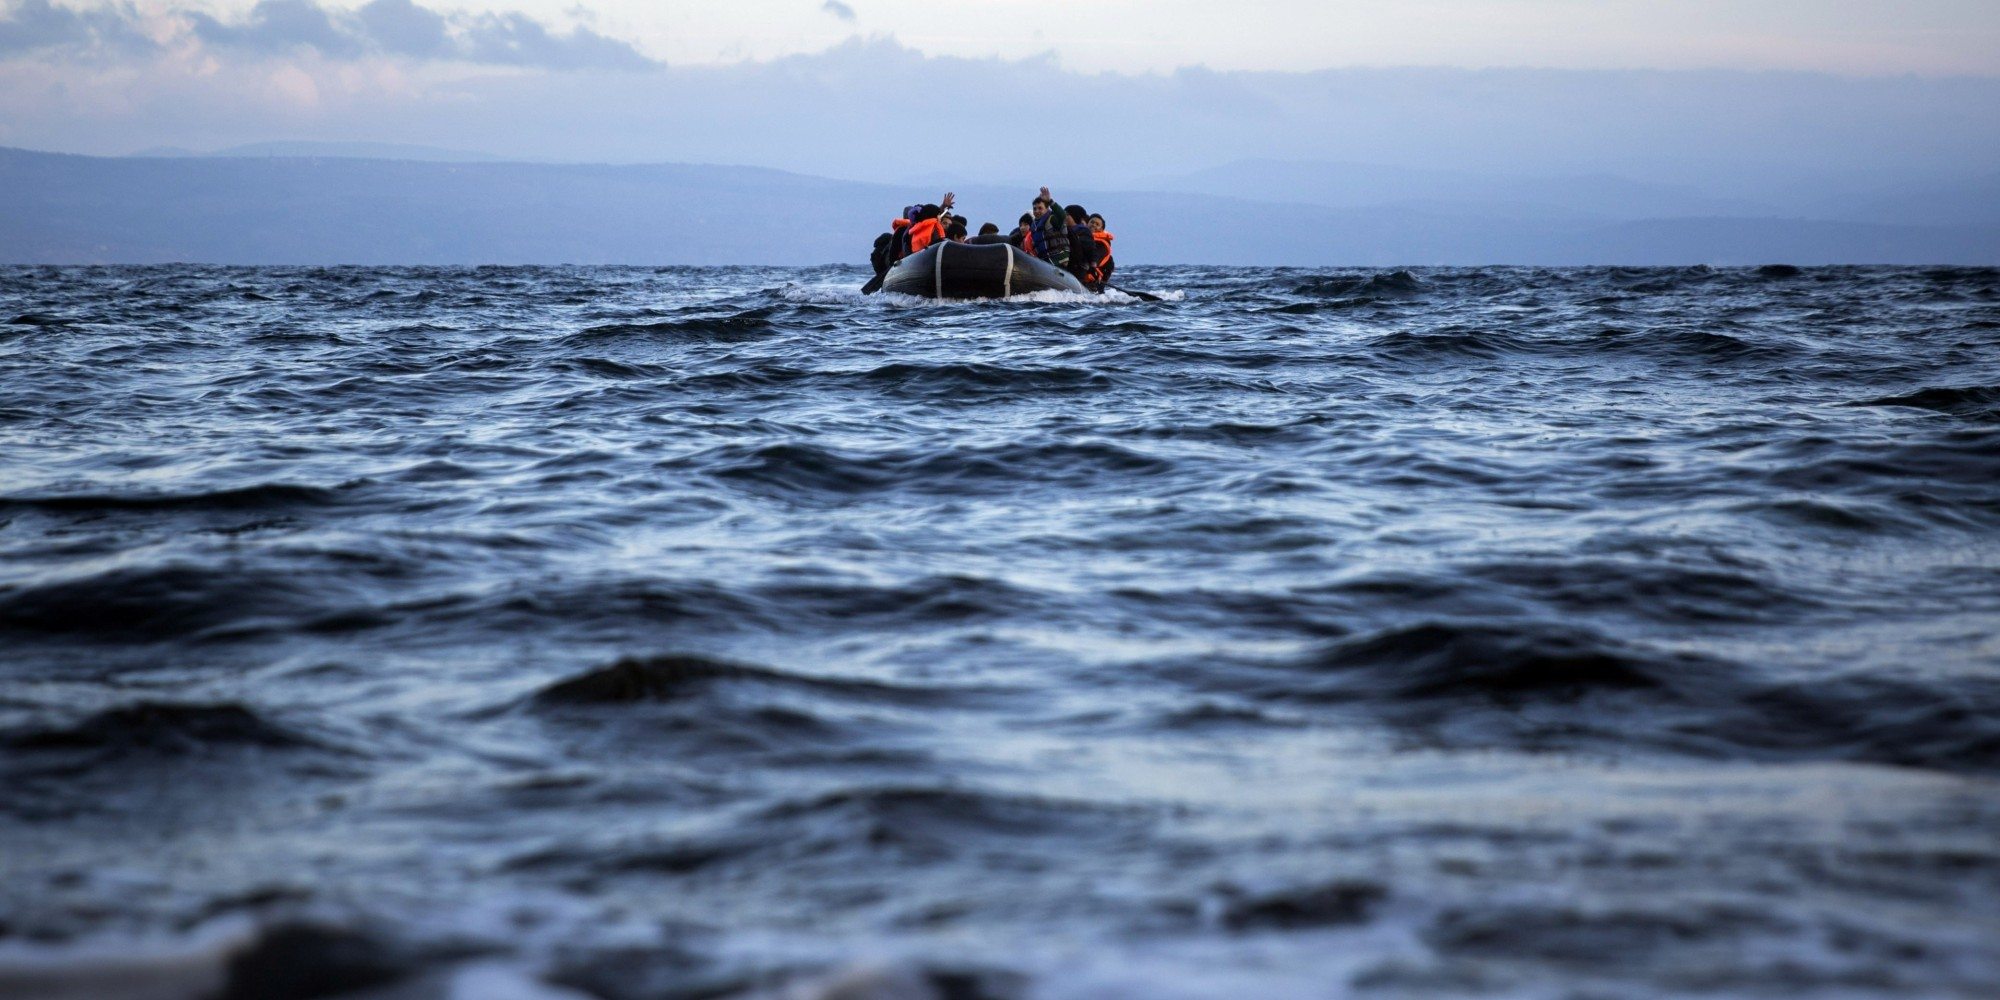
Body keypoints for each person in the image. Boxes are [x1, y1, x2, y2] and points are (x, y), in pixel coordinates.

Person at [1061, 204, 1101, 287]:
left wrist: (1093, 264)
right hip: (1066, 266)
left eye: (1067, 215)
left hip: (1078, 268)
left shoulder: (1083, 232)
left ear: (1075, 217)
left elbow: (1091, 249)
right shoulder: (1063, 231)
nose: (1064, 216)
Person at [1086, 213, 1115, 288]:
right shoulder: (1081, 236)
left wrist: (1093, 263)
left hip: (1091, 278)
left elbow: (1096, 255)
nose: (1094, 225)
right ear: (1087, 223)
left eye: (1097, 224)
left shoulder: (1102, 244)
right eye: (1092, 222)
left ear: (1101, 229)